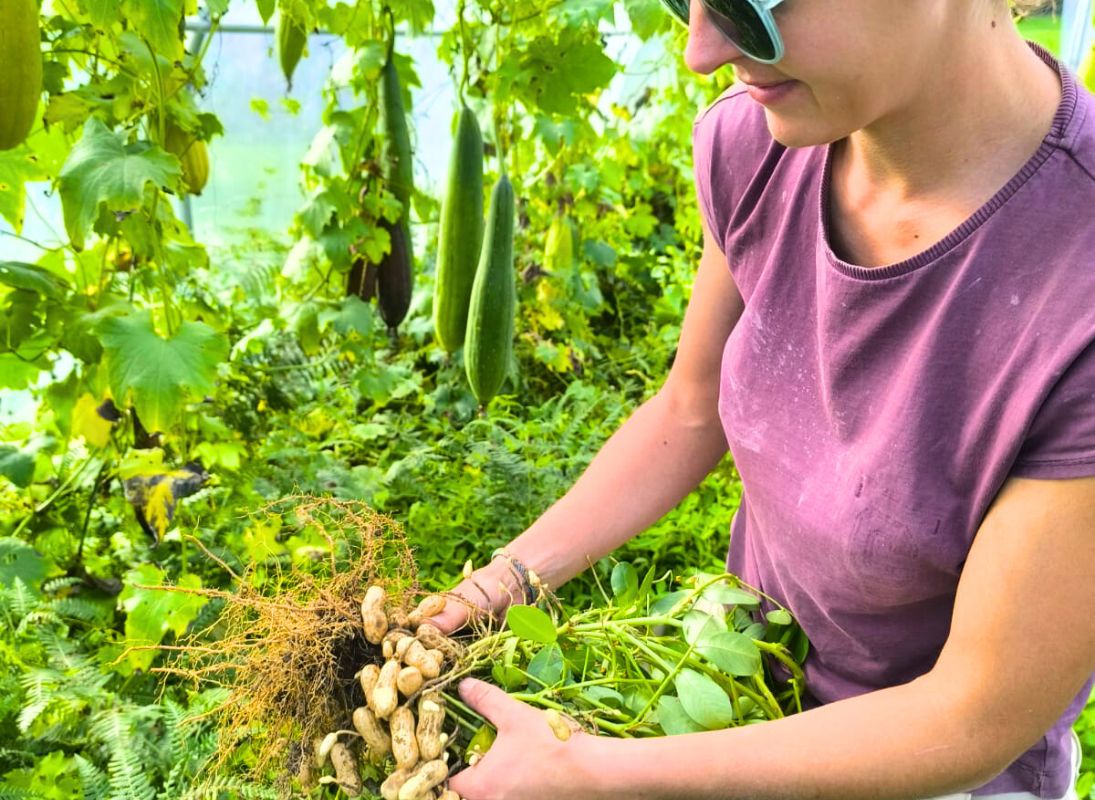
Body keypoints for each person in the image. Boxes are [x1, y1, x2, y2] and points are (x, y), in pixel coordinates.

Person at [429, 0, 1095, 797]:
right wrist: (503, 581)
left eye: (751, 2)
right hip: (748, 680)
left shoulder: (1076, 278)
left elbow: (968, 718)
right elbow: (690, 406)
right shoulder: (756, 144)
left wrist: (594, 774)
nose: (700, 53)